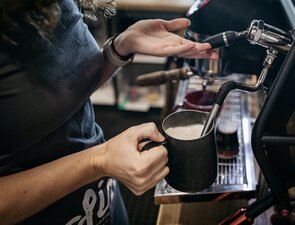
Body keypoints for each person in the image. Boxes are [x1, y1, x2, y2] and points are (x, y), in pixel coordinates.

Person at [0, 0, 217, 224]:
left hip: (103, 202)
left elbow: (69, 87)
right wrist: (98, 160)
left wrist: (122, 46)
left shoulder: (56, 4)